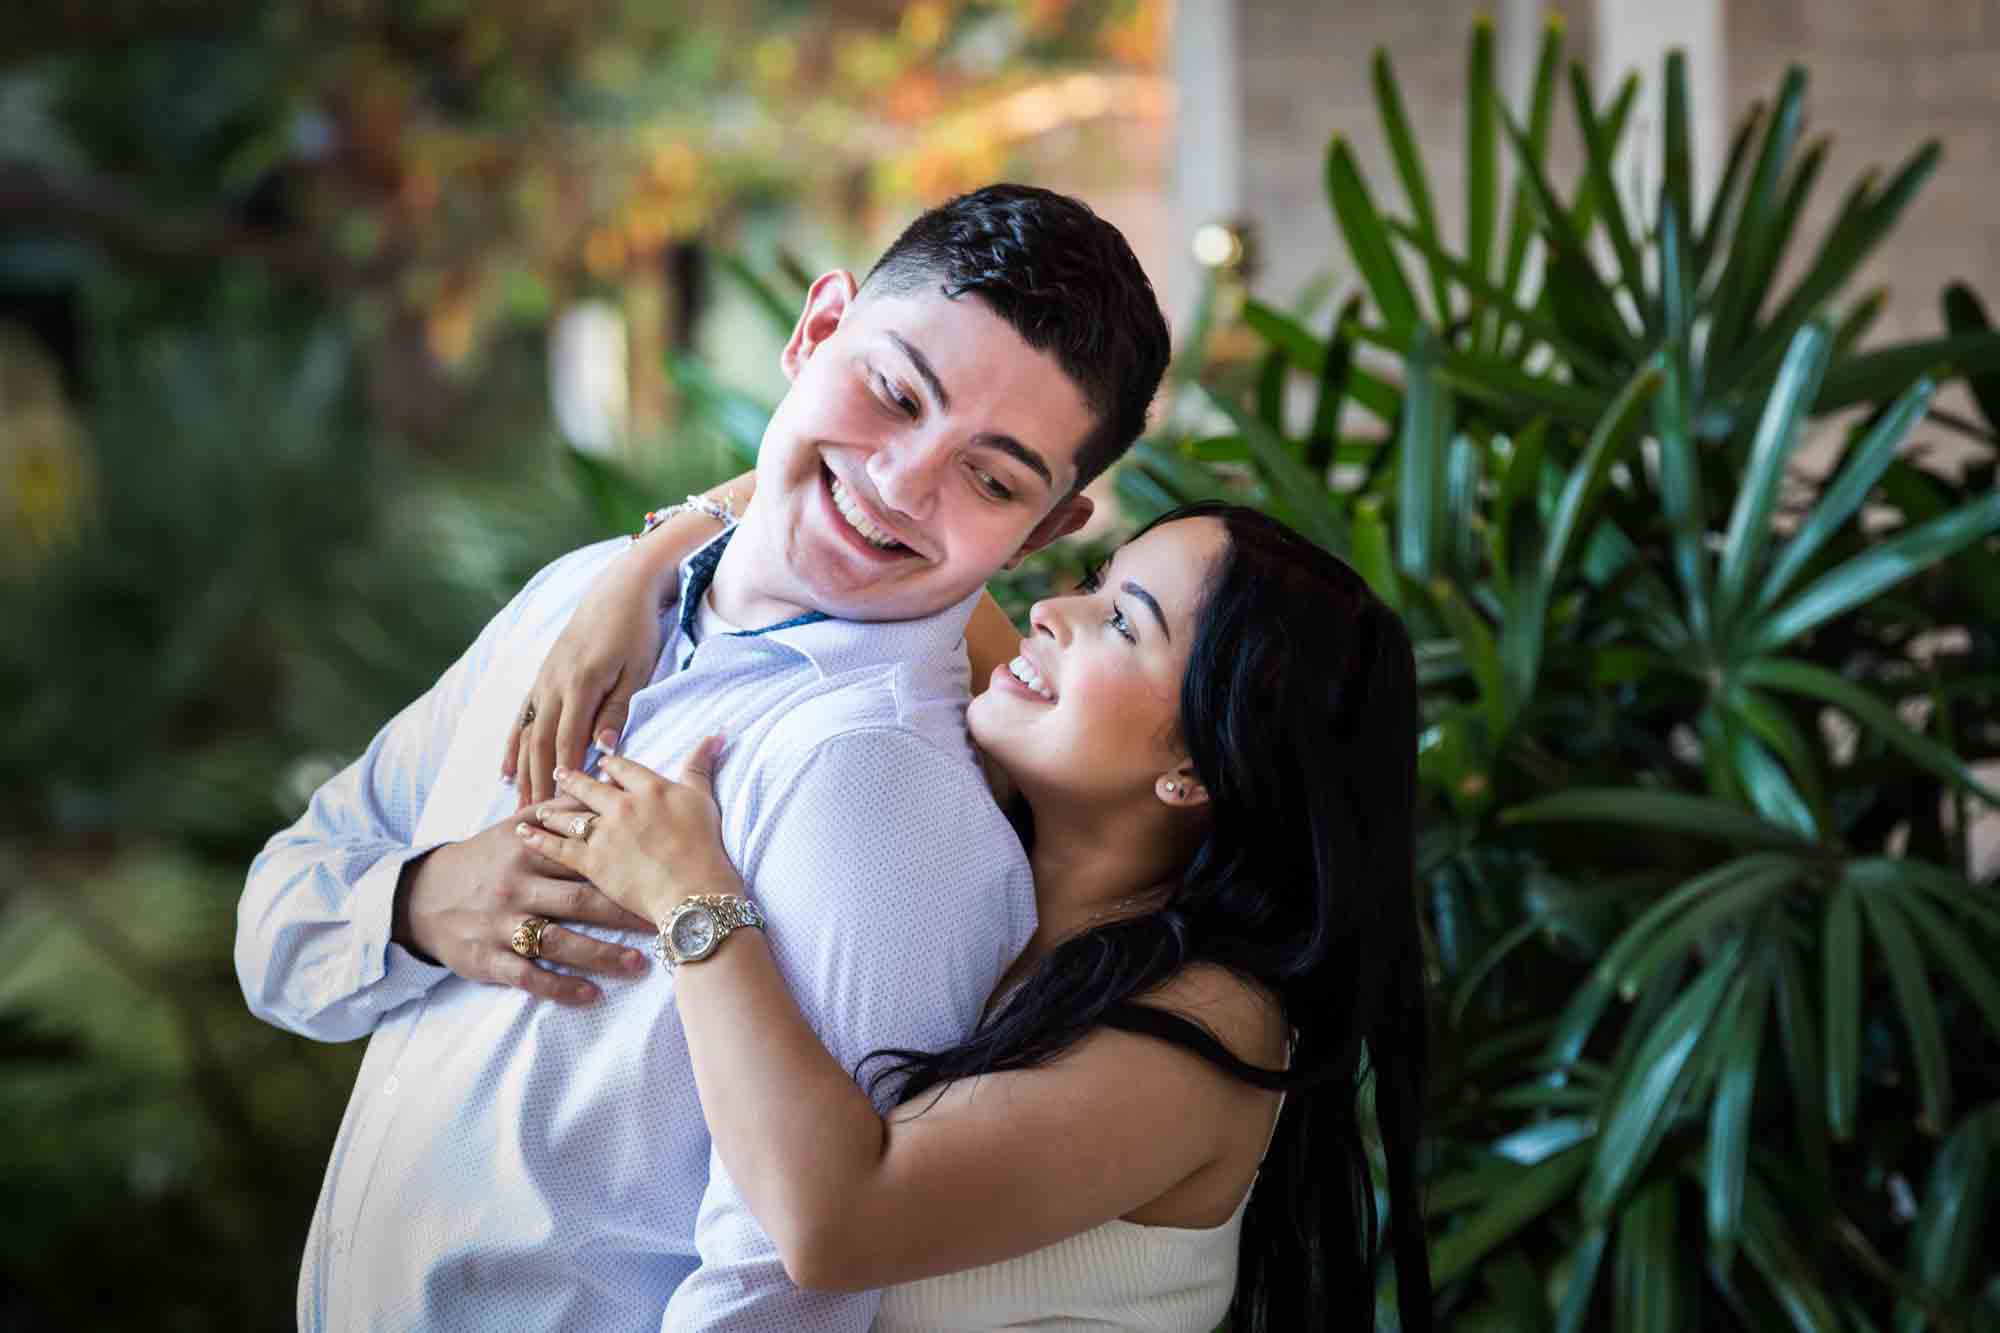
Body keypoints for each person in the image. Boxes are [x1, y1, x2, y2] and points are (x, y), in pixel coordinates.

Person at [234, 184, 1172, 1330]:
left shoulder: (885, 792)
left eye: (990, 476)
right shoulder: (577, 597)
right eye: (891, 392)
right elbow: (278, 929)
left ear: (1040, 532)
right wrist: (420, 903)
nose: (897, 482)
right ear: (814, 329)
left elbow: (776, 1288)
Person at [510, 498, 1433, 1331]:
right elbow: (860, 482)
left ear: (1194, 770)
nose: (1049, 610)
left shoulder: (1210, 1022)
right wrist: (639, 574)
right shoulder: (1022, 769)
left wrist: (690, 898)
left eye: (1121, 622)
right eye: (1094, 579)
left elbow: (835, 1222)